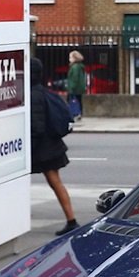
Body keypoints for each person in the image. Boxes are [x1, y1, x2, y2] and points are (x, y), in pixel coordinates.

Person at [30, 58, 79, 235]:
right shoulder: (43, 92)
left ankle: (72, 221)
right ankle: (71, 219)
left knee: (54, 181)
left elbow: (37, 126)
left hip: (42, 149)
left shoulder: (31, 96)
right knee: (56, 182)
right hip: (51, 146)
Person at [65, 50, 88, 121]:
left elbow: (75, 78)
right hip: (79, 88)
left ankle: (74, 113)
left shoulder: (75, 67)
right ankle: (79, 113)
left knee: (71, 101)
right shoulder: (80, 66)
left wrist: (71, 87)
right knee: (78, 101)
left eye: (70, 57)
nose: (69, 59)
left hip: (74, 88)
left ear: (75, 58)